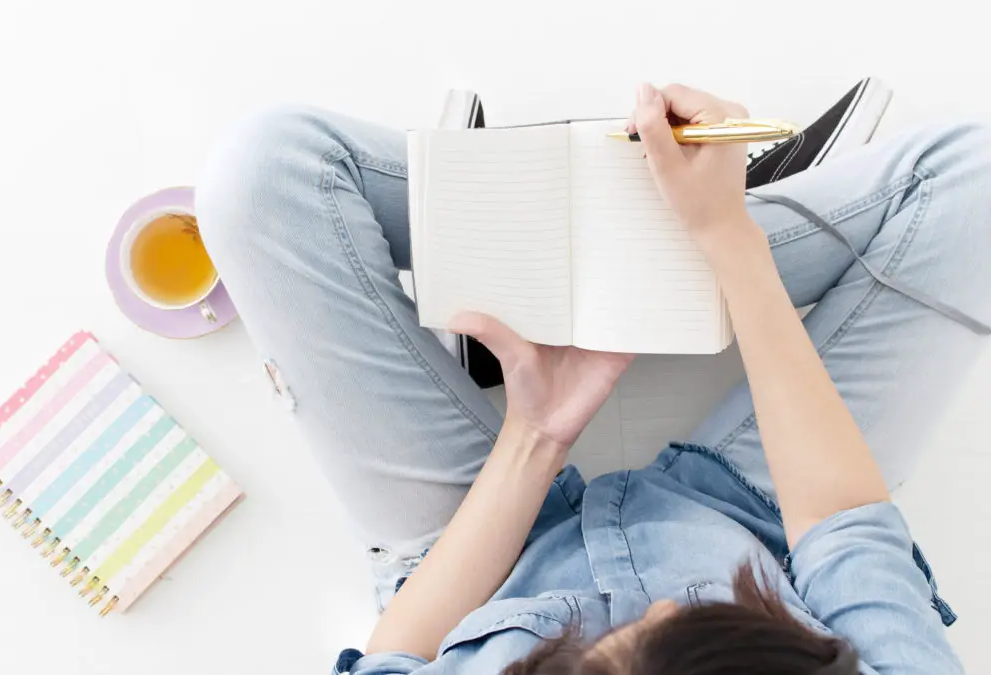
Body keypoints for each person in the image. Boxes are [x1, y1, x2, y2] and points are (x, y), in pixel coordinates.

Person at [195, 83, 989, 674]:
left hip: (466, 556)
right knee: (975, 182)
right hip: (762, 513)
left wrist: (534, 437)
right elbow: (843, 528)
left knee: (263, 178)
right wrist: (726, 240)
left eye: (613, 650)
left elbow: (401, 650)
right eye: (712, 617)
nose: (670, 601)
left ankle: (537, 267)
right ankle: (675, 236)